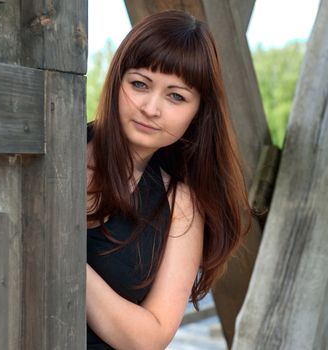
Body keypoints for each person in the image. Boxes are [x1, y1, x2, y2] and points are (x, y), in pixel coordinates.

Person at [86, 10, 252, 349]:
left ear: (198, 112)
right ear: (117, 81)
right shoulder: (55, 155)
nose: (151, 108)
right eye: (139, 84)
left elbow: (151, 337)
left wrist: (64, 259)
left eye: (176, 96)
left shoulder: (181, 203)